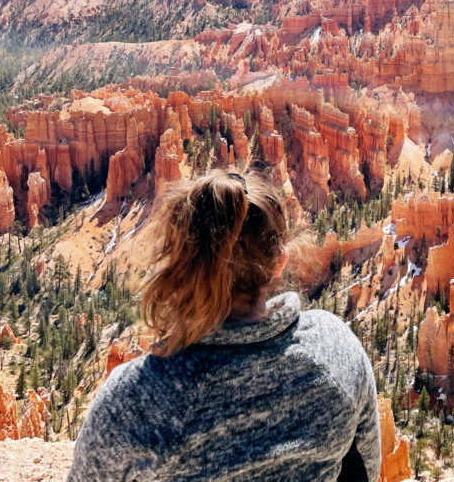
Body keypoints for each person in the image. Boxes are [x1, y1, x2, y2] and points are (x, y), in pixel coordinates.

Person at [67, 168, 381, 482]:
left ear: (180, 263)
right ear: (279, 261)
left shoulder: (133, 401)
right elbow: (365, 469)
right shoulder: (335, 349)